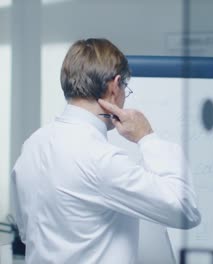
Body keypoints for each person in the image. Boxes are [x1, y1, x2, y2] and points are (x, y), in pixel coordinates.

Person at [11, 38, 201, 263]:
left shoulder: (32, 145)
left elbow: (26, 233)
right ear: (115, 85)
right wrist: (147, 137)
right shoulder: (99, 158)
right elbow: (185, 210)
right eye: (125, 89)